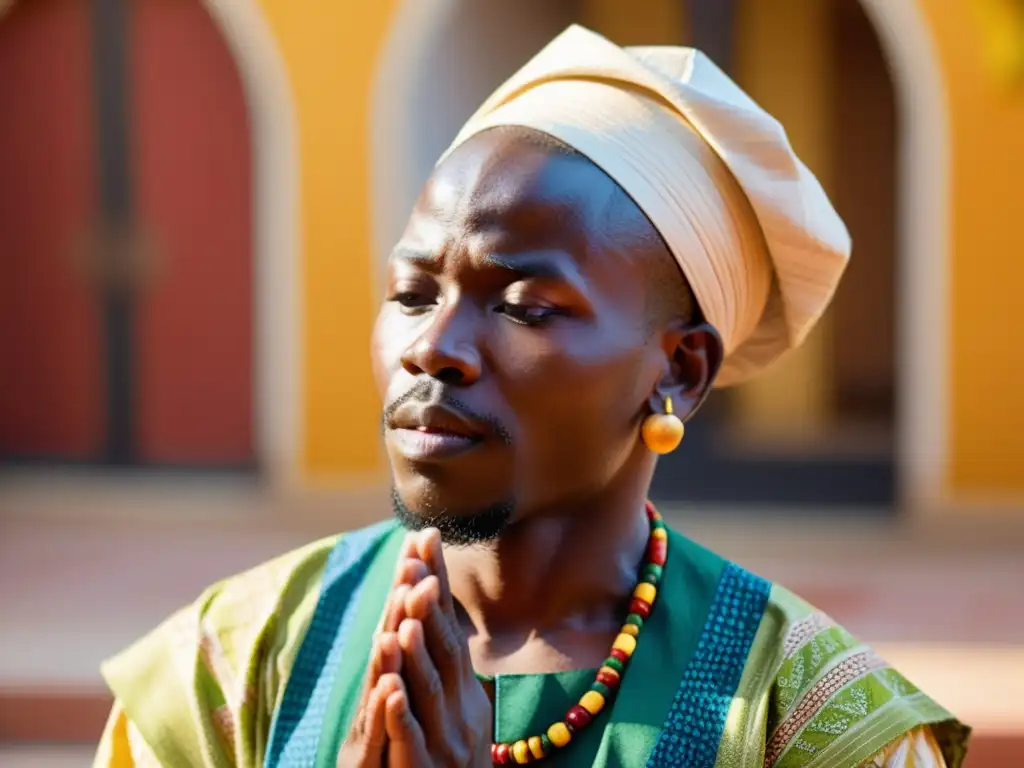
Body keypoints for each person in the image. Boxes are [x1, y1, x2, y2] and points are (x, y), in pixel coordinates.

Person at [93, 25, 969, 768]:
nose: (433, 347)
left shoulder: (805, 720)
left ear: (681, 371)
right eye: (411, 293)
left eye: (524, 307)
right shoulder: (239, 664)